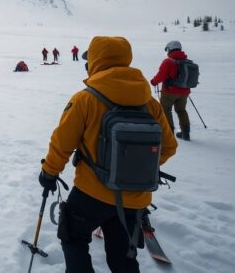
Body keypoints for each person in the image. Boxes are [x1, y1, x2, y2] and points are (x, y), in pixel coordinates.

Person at [39, 36, 177, 273]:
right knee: (123, 258)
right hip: (134, 198)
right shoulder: (150, 103)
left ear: (95, 62)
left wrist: (49, 172)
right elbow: (169, 147)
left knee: (73, 238)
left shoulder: (85, 99)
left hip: (90, 194)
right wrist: (135, 168)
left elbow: (62, 143)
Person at [150, 40, 192, 141]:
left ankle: (168, 134)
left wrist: (153, 81)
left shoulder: (168, 61)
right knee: (181, 110)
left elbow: (161, 75)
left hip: (169, 92)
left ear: (170, 49)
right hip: (184, 92)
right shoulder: (188, 62)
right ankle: (186, 133)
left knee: (166, 110)